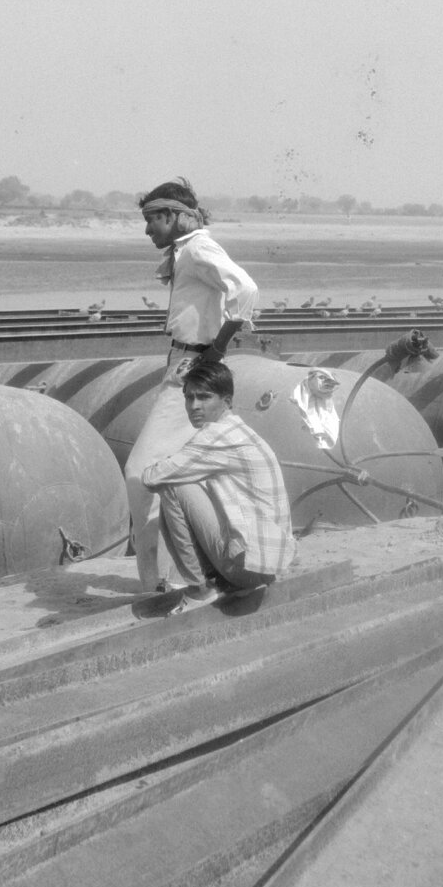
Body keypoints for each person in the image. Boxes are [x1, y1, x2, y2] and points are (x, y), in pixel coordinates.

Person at [125, 178, 258, 590]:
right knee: (184, 471)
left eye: (152, 220)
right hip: (184, 360)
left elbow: (246, 288)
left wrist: (214, 351)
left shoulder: (198, 249)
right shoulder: (186, 251)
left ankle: (156, 581)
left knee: (141, 471)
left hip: (191, 364)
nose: (148, 231)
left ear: (172, 216)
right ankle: (183, 571)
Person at [141, 360, 295, 613]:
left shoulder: (216, 435)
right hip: (268, 565)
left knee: (171, 486)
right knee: (188, 482)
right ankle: (217, 579)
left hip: (248, 570)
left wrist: (160, 461)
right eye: (189, 398)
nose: (194, 406)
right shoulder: (239, 429)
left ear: (227, 400)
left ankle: (198, 590)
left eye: (204, 397)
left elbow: (151, 477)